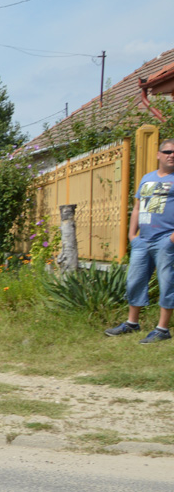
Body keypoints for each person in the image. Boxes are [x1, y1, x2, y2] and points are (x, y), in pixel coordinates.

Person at [104, 137, 174, 343]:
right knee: (134, 280)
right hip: (142, 240)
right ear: (158, 155)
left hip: (165, 239)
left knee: (167, 282)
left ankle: (162, 329)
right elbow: (137, 207)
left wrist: (171, 238)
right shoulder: (147, 178)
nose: (171, 155)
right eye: (168, 152)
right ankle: (132, 323)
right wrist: (132, 235)